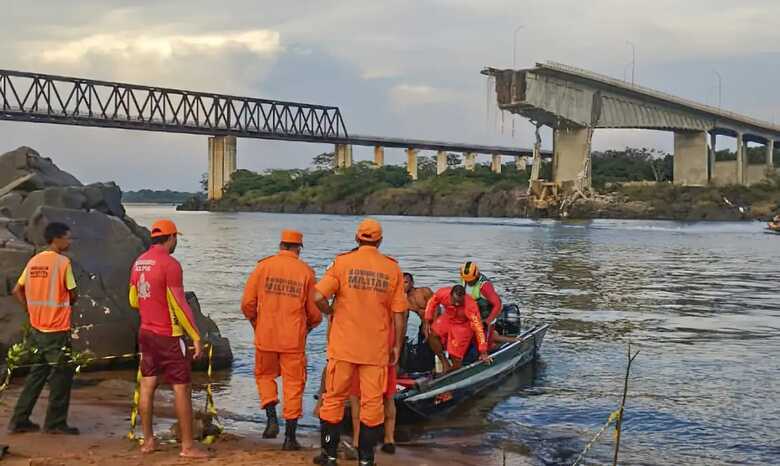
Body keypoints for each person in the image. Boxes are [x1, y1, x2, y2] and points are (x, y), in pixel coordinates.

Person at [313, 218, 408, 466]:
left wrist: (330, 311)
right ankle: (366, 460)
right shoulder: (392, 269)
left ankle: (329, 455)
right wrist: (397, 346)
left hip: (343, 347)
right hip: (375, 350)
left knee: (333, 398)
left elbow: (317, 296)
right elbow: (399, 314)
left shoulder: (342, 263)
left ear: (357, 238)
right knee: (372, 403)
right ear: (380, 241)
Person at [128, 219, 207, 458]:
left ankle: (148, 442)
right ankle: (188, 446)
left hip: (146, 332)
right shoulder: (170, 264)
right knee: (181, 388)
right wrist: (195, 336)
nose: (176, 243)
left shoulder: (139, 262)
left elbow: (133, 299)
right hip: (168, 335)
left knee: (148, 384)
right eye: (176, 238)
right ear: (171, 238)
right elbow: (180, 304)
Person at [240, 229, 322, 450]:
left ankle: (271, 419)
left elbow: (247, 303)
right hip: (293, 340)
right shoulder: (306, 272)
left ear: (281, 245)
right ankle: (290, 438)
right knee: (293, 385)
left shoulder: (263, 267)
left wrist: (257, 323)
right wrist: (309, 327)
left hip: (265, 336)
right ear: (299, 248)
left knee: (264, 376)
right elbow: (314, 313)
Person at [7, 222, 79, 435]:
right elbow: (72, 293)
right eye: (68, 237)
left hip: (37, 327)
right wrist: (68, 300)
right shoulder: (63, 263)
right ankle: (55, 423)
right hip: (56, 328)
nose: (70, 241)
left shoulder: (34, 261)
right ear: (56, 239)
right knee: (62, 375)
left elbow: (16, 290)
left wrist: (30, 310)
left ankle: (19, 419)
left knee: (37, 374)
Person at [423, 285, 490, 373]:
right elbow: (432, 302)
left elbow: (478, 328)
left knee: (455, 356)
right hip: (448, 317)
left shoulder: (470, 306)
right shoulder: (442, 293)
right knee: (432, 334)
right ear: (450, 295)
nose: (457, 304)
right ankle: (444, 363)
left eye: (460, 302)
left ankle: (454, 371)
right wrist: (427, 319)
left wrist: (483, 351)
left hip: (463, 325)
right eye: (455, 301)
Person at [460, 261, 503, 340]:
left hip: (485, 319)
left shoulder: (485, 286)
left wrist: (487, 322)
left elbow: (497, 305)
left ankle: (494, 338)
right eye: (467, 280)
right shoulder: (464, 279)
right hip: (470, 318)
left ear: (476, 275)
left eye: (470, 280)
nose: (468, 282)